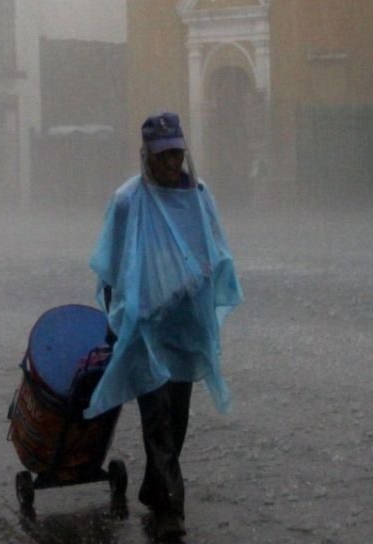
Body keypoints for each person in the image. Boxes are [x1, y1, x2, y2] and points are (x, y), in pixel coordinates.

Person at [84, 112, 243, 539]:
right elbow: (114, 263)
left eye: (176, 154)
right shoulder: (127, 201)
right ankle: (171, 509)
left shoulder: (200, 197)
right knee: (156, 414)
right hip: (147, 326)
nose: (172, 165)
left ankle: (156, 489)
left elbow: (216, 249)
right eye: (163, 156)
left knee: (177, 416)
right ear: (147, 157)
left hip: (186, 325)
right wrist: (117, 320)